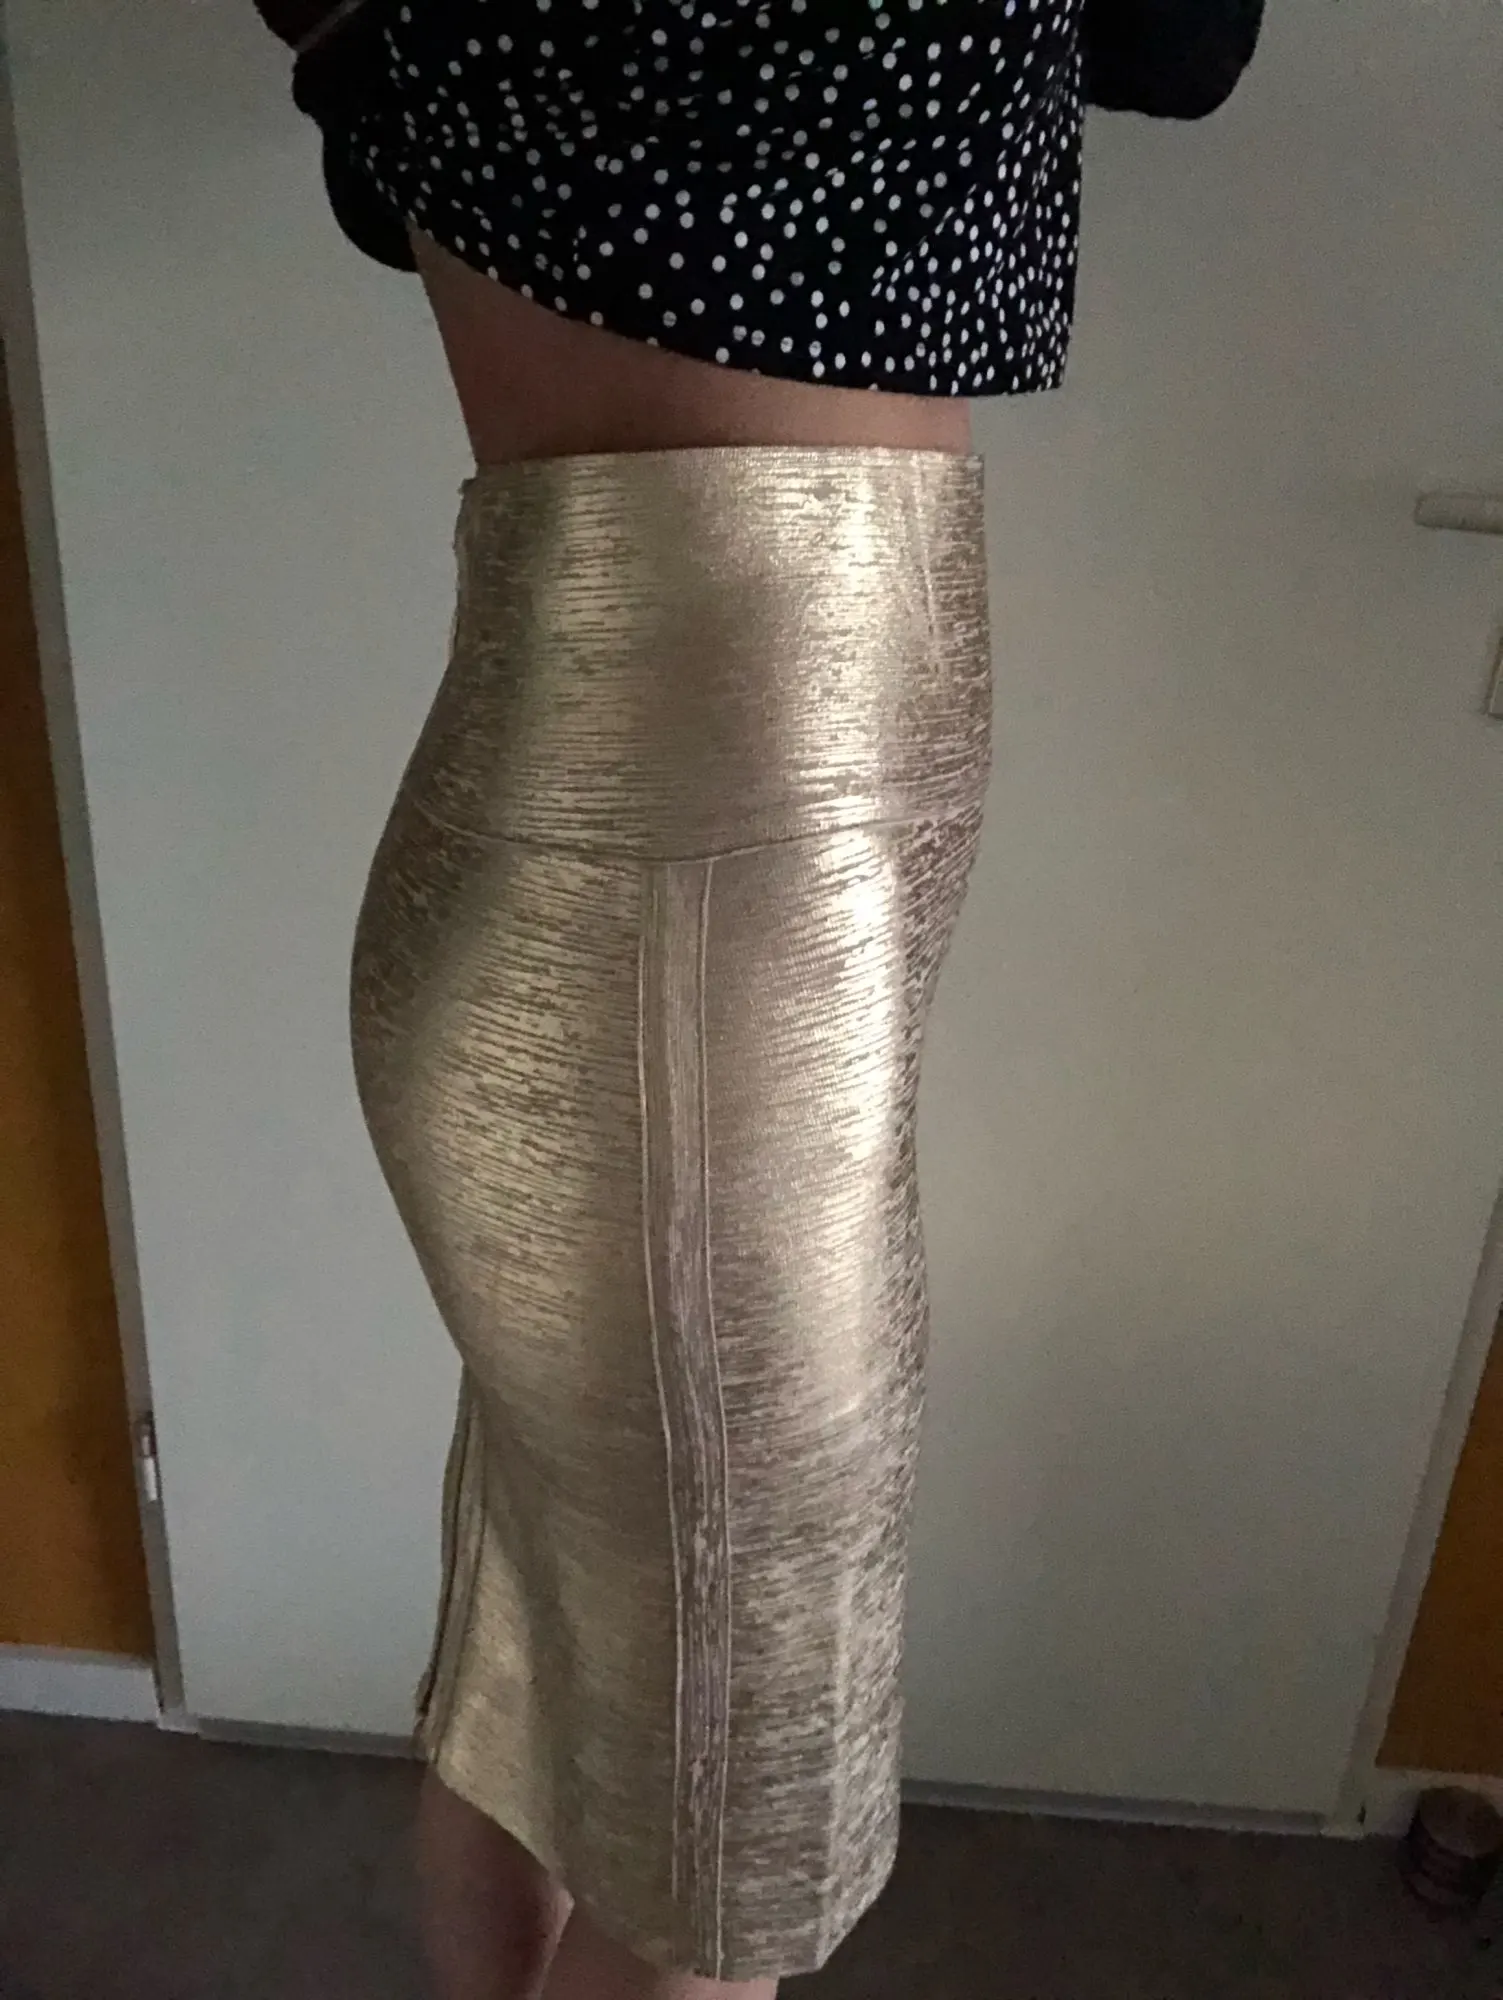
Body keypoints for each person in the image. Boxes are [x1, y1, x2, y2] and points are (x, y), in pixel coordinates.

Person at [255, 5, 1263, 1996]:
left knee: (551, 1651)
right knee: (729, 1812)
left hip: (646, 878)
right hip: (693, 902)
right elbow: (1183, 37)